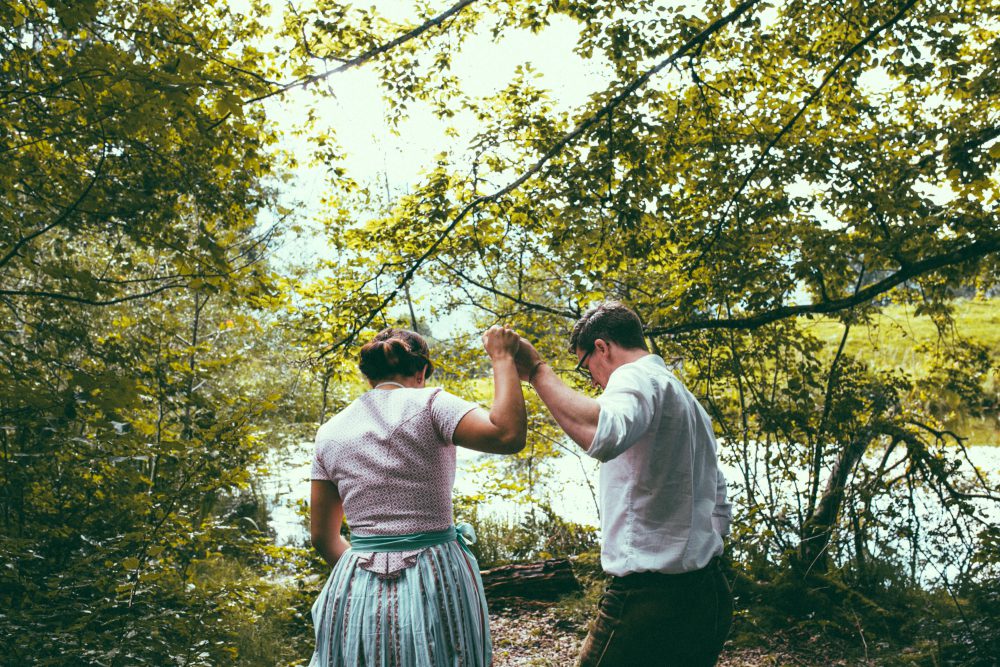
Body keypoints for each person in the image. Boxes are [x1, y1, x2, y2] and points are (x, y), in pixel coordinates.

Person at [513, 301, 733, 667]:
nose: (595, 381)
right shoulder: (686, 399)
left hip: (648, 599)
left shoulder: (634, 378)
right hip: (707, 592)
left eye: (587, 367)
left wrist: (537, 372)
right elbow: (718, 498)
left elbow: (602, 433)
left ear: (603, 347)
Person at [308, 325, 526, 667]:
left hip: (356, 584)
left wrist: (371, 571)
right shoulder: (431, 404)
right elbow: (507, 434)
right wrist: (502, 357)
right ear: (421, 371)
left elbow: (322, 536)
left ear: (369, 376)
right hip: (437, 575)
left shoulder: (330, 431)